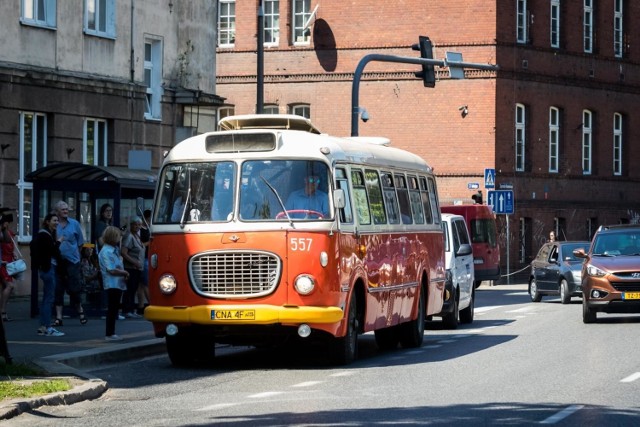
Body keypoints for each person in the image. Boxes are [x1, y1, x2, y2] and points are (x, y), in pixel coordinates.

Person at [30, 213, 65, 336]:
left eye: (57, 220)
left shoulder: (45, 235)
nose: (56, 223)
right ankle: (47, 327)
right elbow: (52, 251)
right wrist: (59, 242)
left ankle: (43, 327)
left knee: (47, 298)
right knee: (49, 298)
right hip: (48, 269)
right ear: (47, 222)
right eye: (54, 220)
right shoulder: (45, 235)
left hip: (46, 269)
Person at [54, 200, 87, 326]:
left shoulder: (74, 224)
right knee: (58, 289)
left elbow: (80, 243)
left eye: (67, 209)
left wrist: (75, 255)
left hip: (72, 261)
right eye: (63, 209)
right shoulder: (54, 224)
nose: (66, 211)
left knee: (74, 289)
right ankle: (59, 317)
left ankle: (80, 310)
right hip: (57, 262)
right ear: (57, 212)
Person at [98, 226, 129, 341]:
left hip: (118, 283)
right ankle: (109, 333)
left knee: (114, 308)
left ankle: (111, 332)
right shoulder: (106, 251)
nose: (120, 238)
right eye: (118, 236)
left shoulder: (114, 250)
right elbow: (111, 269)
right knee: (112, 308)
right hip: (112, 283)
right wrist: (124, 272)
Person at [120, 217, 145, 319]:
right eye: (135, 224)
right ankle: (126, 310)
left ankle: (131, 309)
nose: (137, 226)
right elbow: (123, 252)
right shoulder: (129, 236)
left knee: (133, 289)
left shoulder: (137, 236)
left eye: (139, 225)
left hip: (137, 268)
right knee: (129, 289)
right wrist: (134, 262)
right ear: (131, 225)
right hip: (130, 267)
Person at [0, 213, 17, 322]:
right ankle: (2, 311)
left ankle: (3, 311)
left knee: (5, 287)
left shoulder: (9, 234)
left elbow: (8, 241)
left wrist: (14, 253)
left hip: (8, 262)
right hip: (3, 262)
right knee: (9, 285)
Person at [137, 209, 151, 315]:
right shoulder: (140, 230)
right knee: (145, 282)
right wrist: (149, 242)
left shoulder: (149, 228)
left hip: (148, 257)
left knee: (141, 284)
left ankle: (141, 306)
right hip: (143, 257)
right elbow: (140, 245)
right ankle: (151, 303)